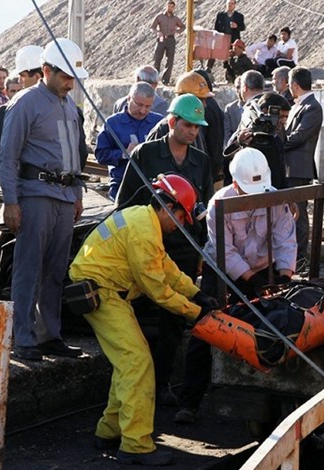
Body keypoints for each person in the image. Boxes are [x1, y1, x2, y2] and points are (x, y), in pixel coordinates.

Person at [69, 174, 219, 466]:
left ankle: (110, 429)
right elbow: (157, 290)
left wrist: (196, 293)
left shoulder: (145, 222)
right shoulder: (142, 231)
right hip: (103, 293)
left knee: (128, 363)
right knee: (137, 361)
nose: (180, 226)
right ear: (167, 206)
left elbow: (166, 268)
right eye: (180, 218)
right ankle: (136, 444)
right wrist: (195, 312)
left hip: (110, 293)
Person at [174, 147, 296, 424]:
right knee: (206, 325)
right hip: (223, 266)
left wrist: (285, 275)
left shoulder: (275, 199)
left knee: (274, 322)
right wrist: (250, 278)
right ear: (236, 183)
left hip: (264, 266)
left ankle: (269, 398)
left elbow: (285, 238)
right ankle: (190, 401)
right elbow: (224, 250)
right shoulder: (219, 204)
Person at [116, 94, 214, 405]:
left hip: (182, 252)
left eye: (198, 128)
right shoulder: (146, 154)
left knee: (173, 322)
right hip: (146, 247)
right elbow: (125, 204)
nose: (194, 132)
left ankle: (160, 385)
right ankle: (132, 387)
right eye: (188, 125)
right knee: (138, 317)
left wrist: (199, 252)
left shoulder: (201, 161)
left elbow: (204, 213)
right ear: (172, 122)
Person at [0, 38, 89, 362]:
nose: (70, 83)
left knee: (54, 270)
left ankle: (48, 335)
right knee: (29, 267)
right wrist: (11, 201)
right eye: (65, 76)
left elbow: (75, 156)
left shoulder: (69, 107)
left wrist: (77, 195)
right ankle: (23, 337)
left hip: (64, 196)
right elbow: (7, 156)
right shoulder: (26, 103)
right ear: (46, 70)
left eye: (73, 78)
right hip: (36, 194)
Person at [96, 81, 163, 200]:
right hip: (121, 187)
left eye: (148, 106)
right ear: (128, 99)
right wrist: (123, 154)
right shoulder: (112, 123)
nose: (143, 111)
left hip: (152, 189)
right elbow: (100, 155)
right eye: (139, 105)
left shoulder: (159, 123)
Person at [283, 67, 322, 261]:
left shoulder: (312, 107)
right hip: (289, 167)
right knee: (290, 212)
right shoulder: (298, 105)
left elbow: (299, 136)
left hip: (299, 168)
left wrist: (278, 144)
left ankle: (300, 257)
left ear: (295, 85)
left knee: (300, 213)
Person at [224, 92, 291, 189]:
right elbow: (229, 163)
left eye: (286, 117)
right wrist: (239, 143)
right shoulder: (245, 136)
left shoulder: (276, 140)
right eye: (280, 117)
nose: (283, 121)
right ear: (264, 111)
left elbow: (280, 175)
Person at [0, 76, 21, 188]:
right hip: (4, 166)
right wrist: (5, 159)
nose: (16, 94)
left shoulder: (32, 113)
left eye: (19, 90)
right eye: (13, 91)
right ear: (6, 92)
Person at [150, 0, 186, 85]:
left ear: (174, 8)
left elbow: (183, 27)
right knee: (157, 59)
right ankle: (155, 79)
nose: (170, 8)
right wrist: (158, 32)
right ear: (166, 6)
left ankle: (165, 80)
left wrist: (177, 31)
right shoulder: (159, 16)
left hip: (171, 39)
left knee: (170, 60)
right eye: (169, 6)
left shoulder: (175, 19)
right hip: (161, 39)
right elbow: (152, 27)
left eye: (172, 7)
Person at [207, 0, 245, 71]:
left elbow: (242, 27)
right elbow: (216, 27)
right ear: (226, 4)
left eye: (232, 3)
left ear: (235, 5)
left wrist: (236, 26)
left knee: (232, 56)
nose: (230, 5)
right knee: (214, 52)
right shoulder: (220, 15)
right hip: (222, 38)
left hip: (233, 40)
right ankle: (208, 68)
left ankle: (230, 73)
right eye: (229, 3)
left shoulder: (239, 16)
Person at [223, 76, 243, 146]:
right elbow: (227, 134)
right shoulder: (230, 108)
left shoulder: (256, 106)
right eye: (237, 87)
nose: (239, 90)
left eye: (241, 87)